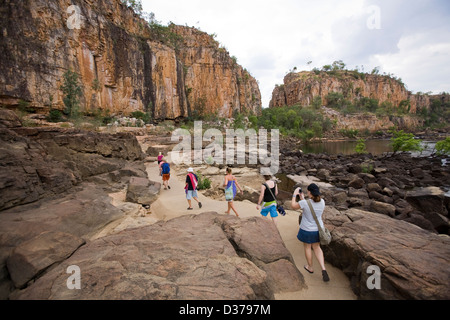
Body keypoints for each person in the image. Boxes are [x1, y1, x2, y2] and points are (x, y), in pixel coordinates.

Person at [291, 183, 330, 282]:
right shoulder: (322, 202)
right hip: (318, 229)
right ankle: (323, 268)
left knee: (308, 247)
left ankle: (310, 267)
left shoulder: (305, 203)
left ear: (309, 192)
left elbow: (293, 206)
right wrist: (303, 198)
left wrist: (295, 195)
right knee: (317, 248)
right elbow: (311, 205)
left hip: (307, 230)